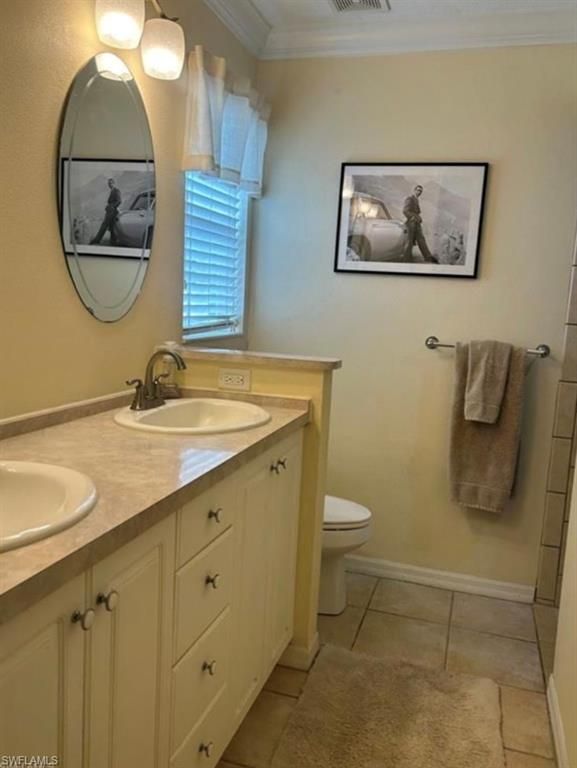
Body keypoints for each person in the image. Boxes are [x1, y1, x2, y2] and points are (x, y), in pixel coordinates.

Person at [402, 184, 438, 263]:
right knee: (409, 242)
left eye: (420, 191)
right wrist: (414, 217)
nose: (419, 192)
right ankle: (406, 260)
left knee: (421, 240)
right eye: (418, 190)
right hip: (411, 223)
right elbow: (405, 211)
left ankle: (428, 257)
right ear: (414, 190)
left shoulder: (416, 200)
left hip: (417, 223)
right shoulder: (410, 198)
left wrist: (418, 218)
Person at [90, 178, 121, 245]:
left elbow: (119, 201)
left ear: (114, 183)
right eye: (109, 184)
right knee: (112, 226)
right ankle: (114, 241)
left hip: (112, 211)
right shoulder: (112, 191)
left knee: (104, 225)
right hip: (110, 210)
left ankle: (97, 240)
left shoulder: (116, 191)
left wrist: (111, 206)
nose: (109, 185)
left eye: (111, 183)